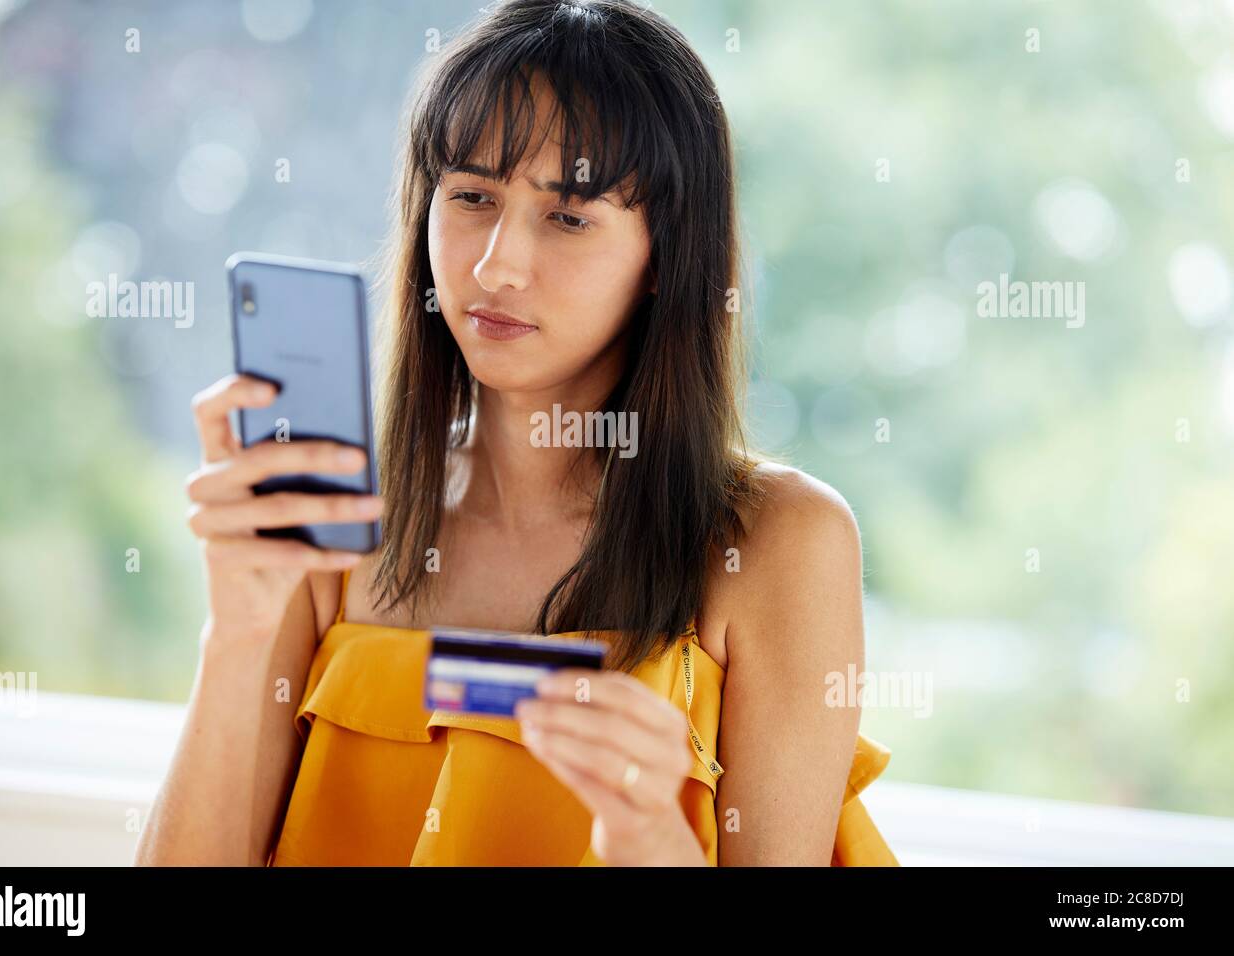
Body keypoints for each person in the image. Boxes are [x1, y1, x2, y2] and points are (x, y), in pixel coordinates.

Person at [135, 0, 897, 867]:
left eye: (568, 215)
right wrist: (235, 632)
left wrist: (650, 838)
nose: (496, 264)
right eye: (470, 196)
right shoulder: (339, 516)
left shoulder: (778, 544)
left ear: (666, 258)